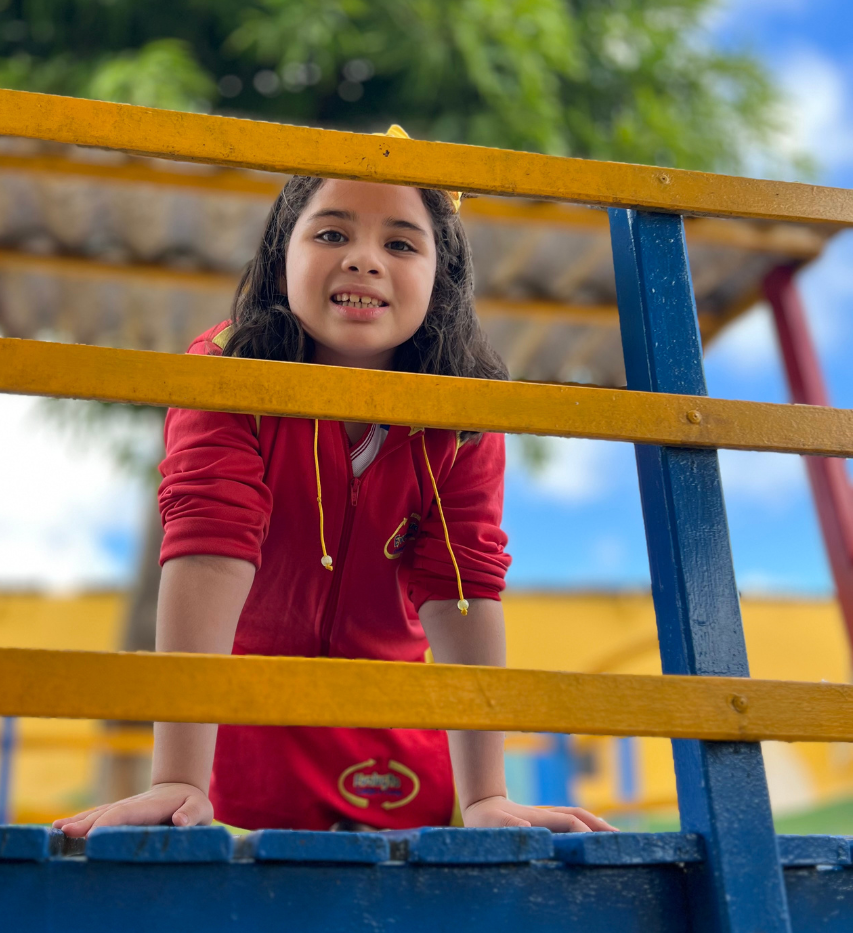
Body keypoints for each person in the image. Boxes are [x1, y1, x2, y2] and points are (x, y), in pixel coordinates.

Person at [55, 141, 613, 836]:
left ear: (442, 280)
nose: (364, 259)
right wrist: (177, 779)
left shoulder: (465, 411)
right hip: (236, 732)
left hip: (393, 734)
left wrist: (485, 798)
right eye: (330, 234)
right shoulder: (226, 369)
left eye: (401, 244)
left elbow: (460, 586)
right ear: (279, 261)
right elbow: (209, 544)